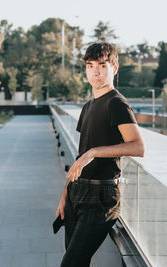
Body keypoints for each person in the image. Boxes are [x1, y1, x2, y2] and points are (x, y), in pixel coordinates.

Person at [56, 42, 145, 267]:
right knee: (78, 260)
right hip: (78, 192)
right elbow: (81, 154)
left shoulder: (117, 104)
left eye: (102, 65)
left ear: (114, 69)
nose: (95, 71)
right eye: (90, 65)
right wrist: (65, 194)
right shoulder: (88, 107)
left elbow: (137, 146)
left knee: (71, 263)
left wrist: (94, 153)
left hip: (102, 197)